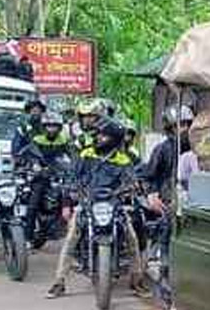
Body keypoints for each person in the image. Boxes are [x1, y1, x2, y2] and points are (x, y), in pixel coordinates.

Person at [46, 117, 143, 299]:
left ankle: (137, 280)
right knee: (71, 237)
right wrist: (69, 198)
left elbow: (131, 179)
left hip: (113, 204)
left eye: (102, 136)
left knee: (132, 238)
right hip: (87, 202)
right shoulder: (86, 154)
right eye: (97, 135)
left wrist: (133, 186)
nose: (97, 138)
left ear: (113, 138)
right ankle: (59, 282)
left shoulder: (123, 159)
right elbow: (72, 176)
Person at [17, 112, 73, 240]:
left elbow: (72, 156)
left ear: (59, 128)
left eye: (54, 126)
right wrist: (35, 164)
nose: (51, 129)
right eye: (48, 126)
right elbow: (28, 153)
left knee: (73, 198)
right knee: (33, 204)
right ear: (44, 127)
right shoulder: (37, 140)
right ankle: (27, 238)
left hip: (59, 173)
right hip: (41, 175)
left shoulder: (64, 140)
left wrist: (74, 167)